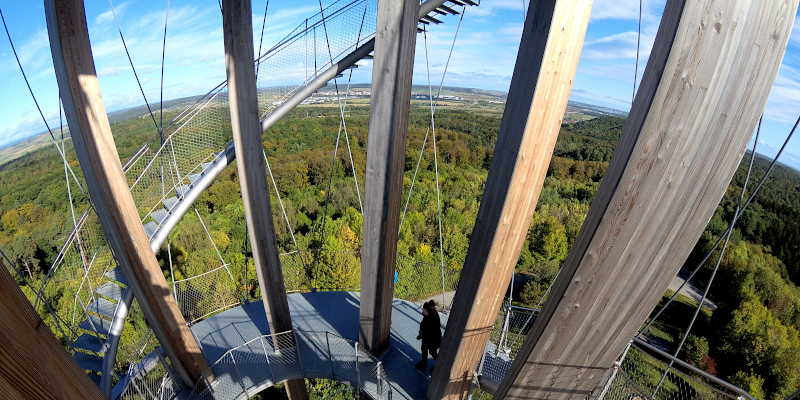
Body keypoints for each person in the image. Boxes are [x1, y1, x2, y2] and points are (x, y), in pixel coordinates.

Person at [415, 300, 442, 370]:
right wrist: (421, 335)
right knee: (424, 349)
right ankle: (424, 363)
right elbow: (423, 327)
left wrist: (422, 335)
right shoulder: (427, 316)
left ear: (428, 311)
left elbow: (430, 331)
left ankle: (439, 364)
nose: (422, 312)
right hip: (426, 338)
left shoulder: (433, 319)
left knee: (432, 351)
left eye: (424, 310)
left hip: (433, 339)